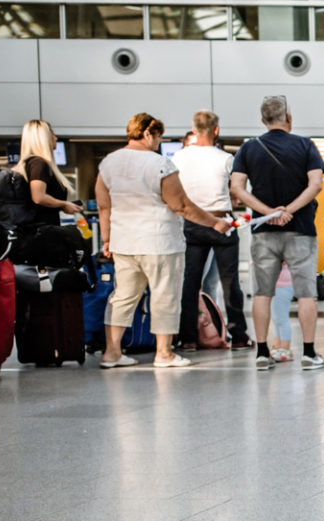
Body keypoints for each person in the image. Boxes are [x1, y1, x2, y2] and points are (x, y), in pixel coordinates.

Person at [95, 113, 233, 369]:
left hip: (124, 242)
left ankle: (112, 353)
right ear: (148, 134)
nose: (158, 143)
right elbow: (181, 205)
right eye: (157, 137)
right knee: (164, 296)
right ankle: (164, 353)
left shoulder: (108, 164)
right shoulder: (159, 164)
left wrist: (106, 239)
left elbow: (104, 206)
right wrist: (214, 222)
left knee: (123, 296)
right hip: (159, 242)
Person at [230, 95, 324, 371]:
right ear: (289, 117)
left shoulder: (249, 148)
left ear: (263, 120)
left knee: (263, 292)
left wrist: (269, 212)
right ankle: (309, 353)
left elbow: (237, 188)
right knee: (307, 293)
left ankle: (262, 353)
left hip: (264, 231)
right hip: (301, 230)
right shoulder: (305, 145)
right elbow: (316, 184)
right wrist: (290, 211)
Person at [172, 110, 248, 349]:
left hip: (192, 223)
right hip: (222, 223)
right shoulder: (225, 158)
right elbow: (237, 190)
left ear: (193, 130)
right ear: (216, 130)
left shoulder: (178, 158)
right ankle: (239, 337)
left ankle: (189, 338)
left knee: (190, 282)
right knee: (230, 282)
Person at [15, 119, 85, 229]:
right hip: (42, 233)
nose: (55, 138)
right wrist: (64, 204)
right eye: (52, 133)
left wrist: (61, 206)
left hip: (34, 231)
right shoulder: (38, 163)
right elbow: (38, 197)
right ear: (44, 138)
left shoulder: (28, 164)